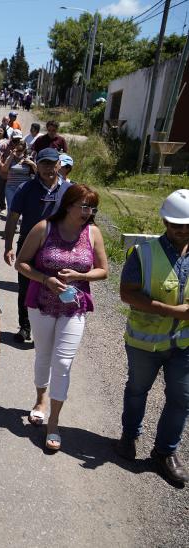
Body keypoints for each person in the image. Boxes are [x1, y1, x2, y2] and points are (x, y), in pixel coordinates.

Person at [16, 185, 108, 451]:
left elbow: (103, 271)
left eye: (92, 208)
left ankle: (54, 422)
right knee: (43, 354)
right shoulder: (44, 228)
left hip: (74, 306)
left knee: (64, 362)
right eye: (84, 206)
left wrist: (81, 276)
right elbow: (21, 262)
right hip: (41, 303)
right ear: (68, 205)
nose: (88, 212)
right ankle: (40, 400)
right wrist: (46, 278)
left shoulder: (93, 233)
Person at [115, 189, 189, 485]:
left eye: (186, 224)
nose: (181, 230)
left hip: (183, 344)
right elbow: (126, 293)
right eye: (175, 224)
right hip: (144, 344)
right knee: (136, 390)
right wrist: (171, 310)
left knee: (181, 399)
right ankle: (129, 436)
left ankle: (165, 452)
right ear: (164, 221)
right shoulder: (144, 253)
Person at [4, 148, 72, 344]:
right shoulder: (25, 189)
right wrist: (8, 246)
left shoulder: (68, 190)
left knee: (55, 286)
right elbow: (13, 218)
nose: (49, 168)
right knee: (26, 287)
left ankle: (49, 327)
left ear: (59, 165)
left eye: (52, 164)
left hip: (59, 247)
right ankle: (25, 327)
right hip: (29, 245)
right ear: (37, 165)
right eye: (44, 164)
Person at [2, 139, 36, 212]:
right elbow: (4, 170)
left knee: (23, 209)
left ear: (24, 150)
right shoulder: (10, 158)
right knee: (11, 208)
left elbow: (37, 173)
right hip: (10, 187)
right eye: (17, 150)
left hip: (24, 188)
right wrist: (11, 156)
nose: (18, 152)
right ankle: (10, 222)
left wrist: (32, 164)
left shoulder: (29, 159)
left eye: (20, 150)